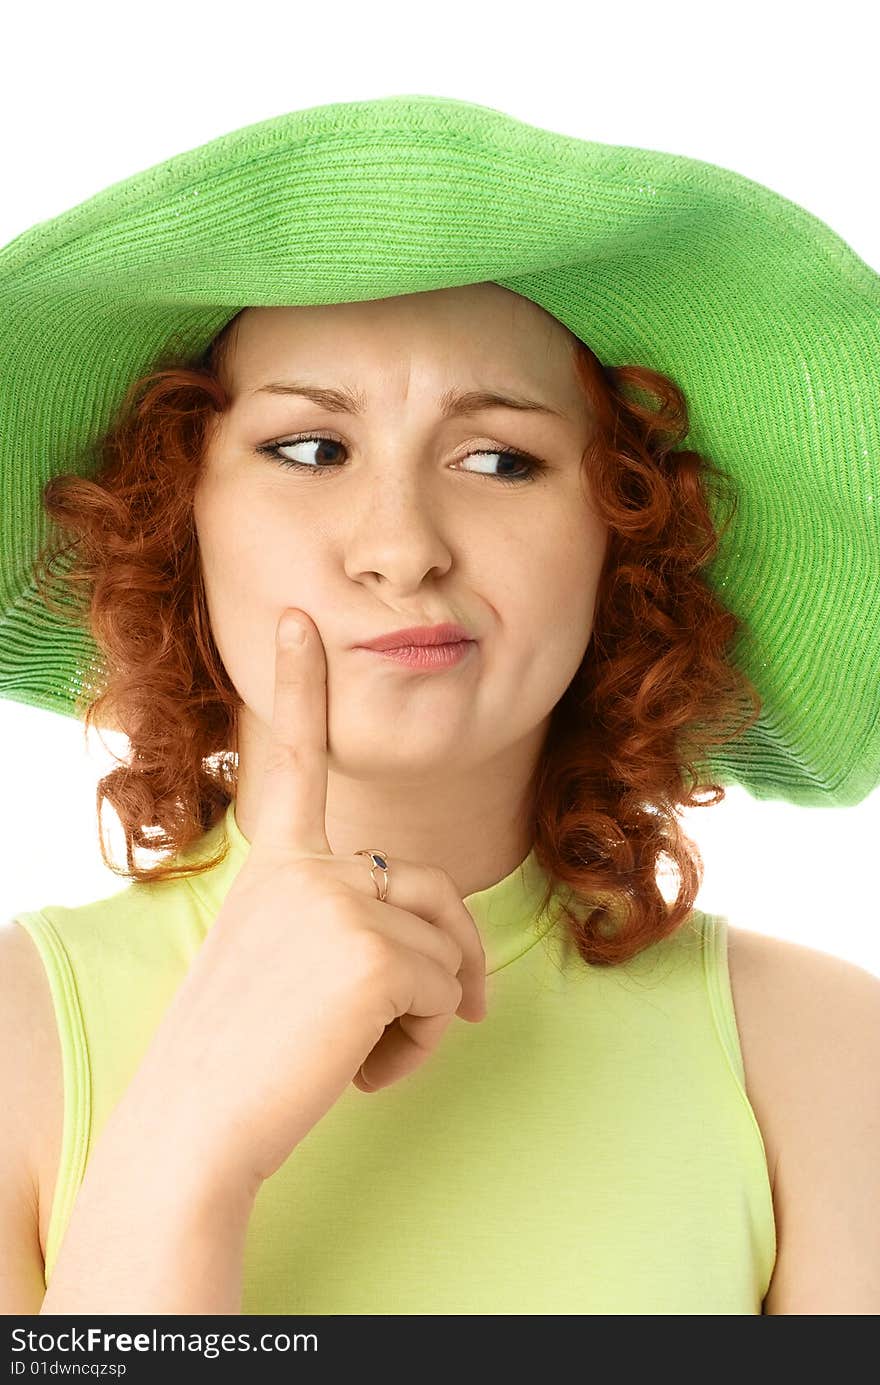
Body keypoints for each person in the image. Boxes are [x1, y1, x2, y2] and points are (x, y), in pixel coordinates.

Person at [1, 95, 878, 1317]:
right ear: (171, 513)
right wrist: (185, 1143)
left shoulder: (832, 1060)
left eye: (499, 459)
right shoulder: (14, 1039)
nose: (400, 549)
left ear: (627, 537)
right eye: (310, 448)